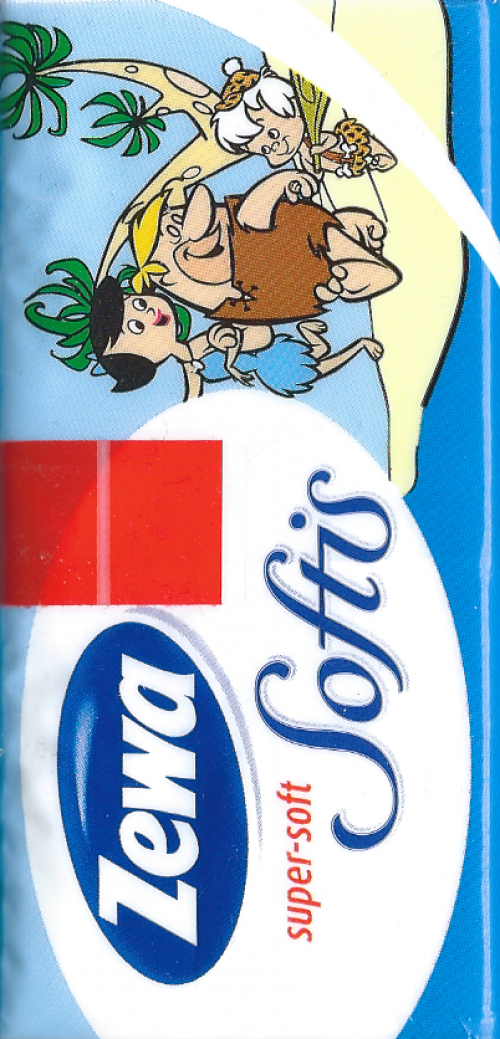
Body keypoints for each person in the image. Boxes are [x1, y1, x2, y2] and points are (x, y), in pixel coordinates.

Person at [211, 58, 397, 180]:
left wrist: (321, 147)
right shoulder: (301, 154)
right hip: (347, 168)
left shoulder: (313, 139)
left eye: (273, 134)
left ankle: (381, 158)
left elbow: (331, 139)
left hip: (352, 148)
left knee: (373, 154)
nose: (274, 147)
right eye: (264, 149)